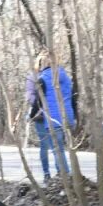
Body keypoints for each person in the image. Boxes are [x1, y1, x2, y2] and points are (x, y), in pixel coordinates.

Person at [26, 52, 77, 180]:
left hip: (52, 119)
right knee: (64, 148)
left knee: (57, 149)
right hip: (67, 117)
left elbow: (38, 101)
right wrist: (75, 116)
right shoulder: (65, 76)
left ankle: (64, 175)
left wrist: (31, 115)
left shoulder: (42, 79)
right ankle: (65, 175)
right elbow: (73, 99)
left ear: (42, 64)